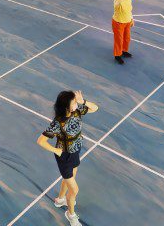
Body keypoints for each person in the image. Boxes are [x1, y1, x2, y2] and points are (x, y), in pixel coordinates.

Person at [37, 90, 98, 226]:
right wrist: (56, 151)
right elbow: (40, 141)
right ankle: (70, 215)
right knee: (74, 190)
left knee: (69, 178)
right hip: (64, 156)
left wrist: (83, 102)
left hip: (76, 150)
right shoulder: (58, 123)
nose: (76, 103)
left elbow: (95, 108)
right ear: (66, 107)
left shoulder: (77, 110)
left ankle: (60, 200)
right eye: (74, 102)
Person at [112, 0, 134, 64]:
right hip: (118, 22)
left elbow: (130, 8)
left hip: (127, 21)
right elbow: (120, 3)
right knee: (119, 40)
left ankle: (124, 50)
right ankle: (117, 55)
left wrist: (132, 18)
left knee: (127, 38)